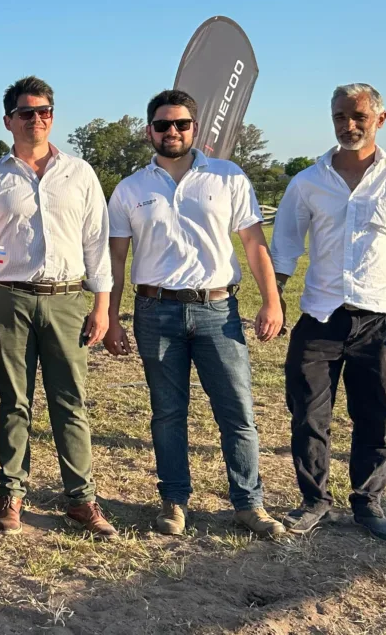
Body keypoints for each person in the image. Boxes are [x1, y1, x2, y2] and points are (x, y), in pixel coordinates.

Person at [104, 89, 286, 538]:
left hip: (218, 310)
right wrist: (109, 315)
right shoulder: (131, 188)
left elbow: (253, 243)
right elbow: (116, 259)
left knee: (237, 411)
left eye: (181, 124)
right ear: (149, 131)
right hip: (155, 310)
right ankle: (174, 502)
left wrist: (272, 300)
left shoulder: (228, 177)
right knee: (167, 413)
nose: (172, 132)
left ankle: (249, 505)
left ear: (195, 129)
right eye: (163, 125)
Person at [271, 83, 386, 542]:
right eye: (339, 117)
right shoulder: (308, 181)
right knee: (308, 414)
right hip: (320, 317)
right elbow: (285, 245)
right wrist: (276, 298)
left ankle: (368, 502)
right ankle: (314, 501)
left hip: (382, 319)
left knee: (376, 414)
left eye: (358, 116)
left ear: (380, 119)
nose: (348, 125)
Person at [0, 76, 118, 539]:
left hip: (68, 298)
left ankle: (81, 499)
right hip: (9, 299)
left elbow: (96, 244)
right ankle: (11, 495)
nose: (37, 119)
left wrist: (102, 306)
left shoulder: (80, 173)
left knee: (71, 401)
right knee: (14, 401)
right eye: (27, 112)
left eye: (45, 110)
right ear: (9, 120)